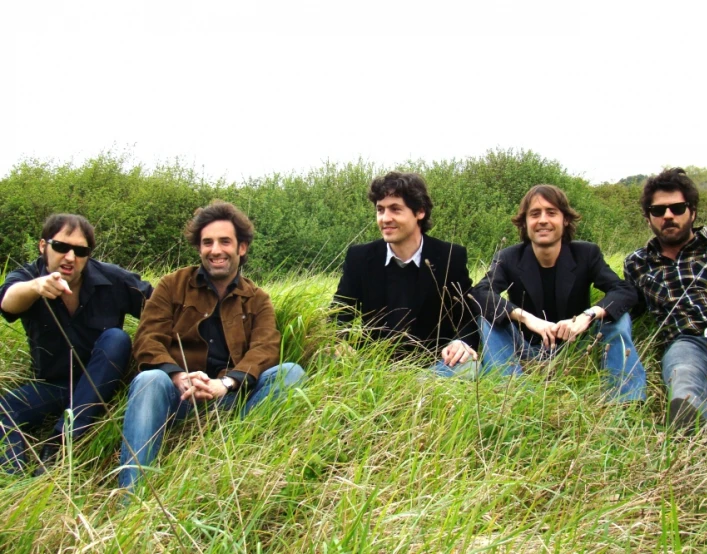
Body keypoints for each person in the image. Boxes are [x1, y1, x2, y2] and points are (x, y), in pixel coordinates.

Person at [119, 201, 304, 489]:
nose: (215, 250)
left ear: (241, 248)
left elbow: (266, 348)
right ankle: (131, 497)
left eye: (224, 241)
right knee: (148, 379)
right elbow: (147, 337)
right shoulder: (172, 285)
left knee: (290, 372)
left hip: (231, 399)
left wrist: (226, 383)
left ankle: (235, 461)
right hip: (178, 397)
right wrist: (178, 376)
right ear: (199, 247)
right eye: (207, 242)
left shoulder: (257, 298)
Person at [0, 214, 152, 474]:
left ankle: (62, 441)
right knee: (4, 410)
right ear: (43, 246)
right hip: (55, 385)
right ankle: (15, 479)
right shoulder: (29, 277)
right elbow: (7, 301)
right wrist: (36, 287)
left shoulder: (113, 279)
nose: (70, 257)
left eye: (81, 251)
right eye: (61, 247)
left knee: (116, 338)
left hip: (102, 385)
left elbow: (159, 308)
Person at [472, 184, 646, 401]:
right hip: (527, 347)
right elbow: (480, 293)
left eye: (551, 212)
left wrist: (588, 316)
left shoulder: (586, 253)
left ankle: (625, 398)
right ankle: (513, 393)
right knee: (487, 319)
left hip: (578, 348)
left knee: (617, 317)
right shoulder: (509, 258)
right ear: (525, 223)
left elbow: (624, 290)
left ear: (565, 220)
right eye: (535, 214)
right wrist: (527, 319)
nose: (543, 220)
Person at [624, 167, 707, 451]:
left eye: (676, 208)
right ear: (648, 217)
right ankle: (694, 430)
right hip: (683, 341)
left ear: (693, 211)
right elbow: (625, 305)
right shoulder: (637, 263)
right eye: (658, 210)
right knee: (684, 380)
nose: (668, 216)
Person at [333, 171, 479, 376]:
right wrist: (340, 343)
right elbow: (339, 313)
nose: (385, 218)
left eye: (395, 209)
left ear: (419, 212)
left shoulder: (449, 256)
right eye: (380, 210)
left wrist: (461, 342)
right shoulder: (360, 257)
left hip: (435, 366)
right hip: (372, 369)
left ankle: (414, 392)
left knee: (468, 367)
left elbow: (467, 316)